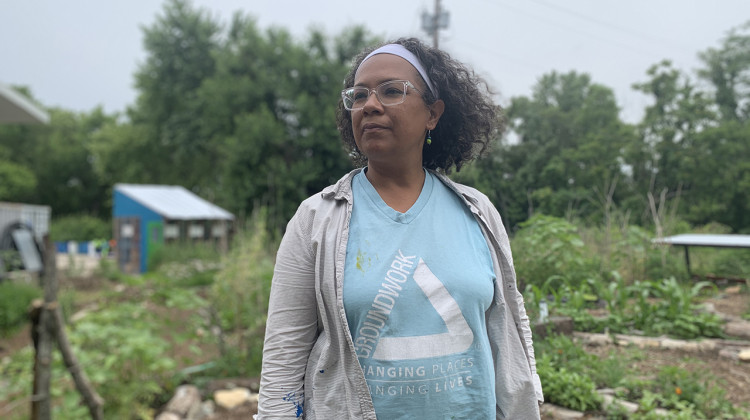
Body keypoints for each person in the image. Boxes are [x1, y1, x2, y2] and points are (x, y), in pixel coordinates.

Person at [257, 37, 543, 419]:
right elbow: (283, 354)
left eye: (392, 91)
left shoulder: (477, 212)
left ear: (433, 114)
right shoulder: (316, 219)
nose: (370, 105)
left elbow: (510, 320)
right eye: (359, 96)